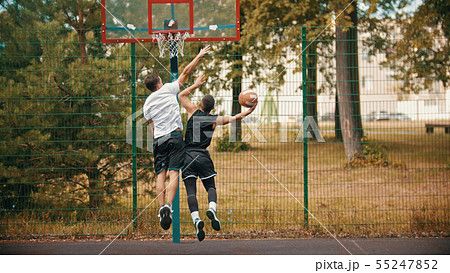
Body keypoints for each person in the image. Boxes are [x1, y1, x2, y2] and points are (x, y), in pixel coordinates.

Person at [178, 74, 257, 241]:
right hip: (203, 156)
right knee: (210, 187)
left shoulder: (192, 112)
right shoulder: (214, 120)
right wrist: (248, 111)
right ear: (212, 109)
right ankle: (212, 209)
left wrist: (196, 84)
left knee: (190, 191)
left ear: (200, 104)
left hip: (188, 156)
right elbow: (235, 118)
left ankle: (197, 220)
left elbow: (181, 95)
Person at [143, 45, 211, 230]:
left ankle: (160, 208)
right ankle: (168, 207)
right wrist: (199, 55)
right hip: (174, 136)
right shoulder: (168, 89)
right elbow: (186, 71)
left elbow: (152, 126)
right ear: (159, 84)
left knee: (160, 174)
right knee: (174, 172)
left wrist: (156, 142)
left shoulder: (147, 103)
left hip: (159, 139)